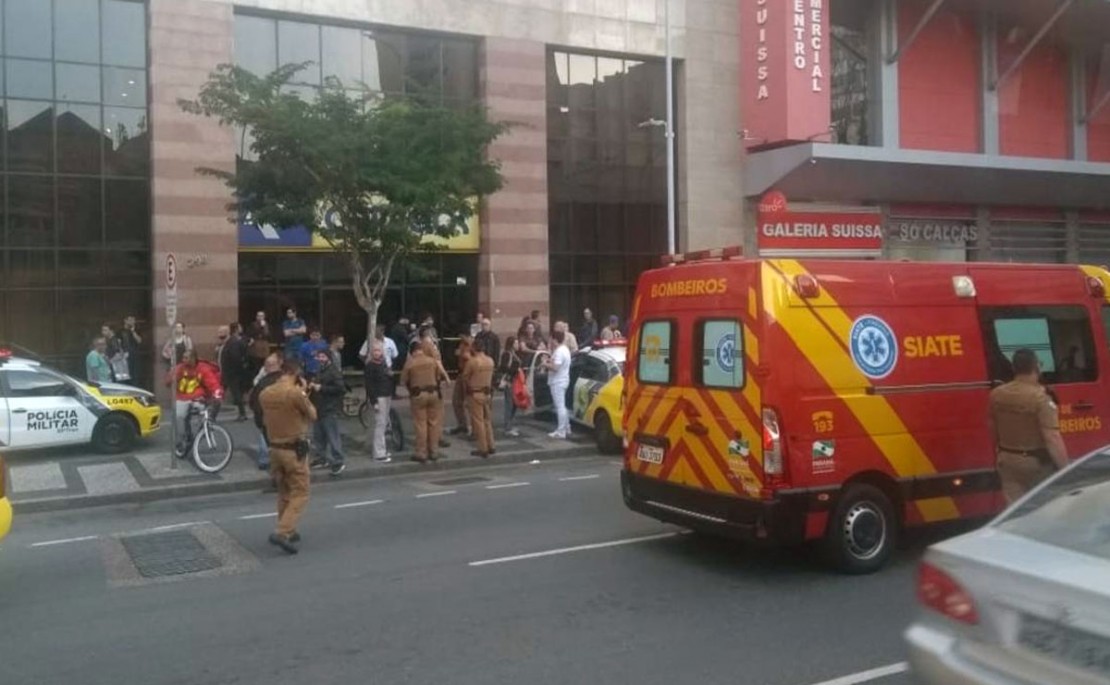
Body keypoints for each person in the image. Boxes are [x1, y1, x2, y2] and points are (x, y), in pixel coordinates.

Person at [989, 348, 1068, 503]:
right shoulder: (1041, 398)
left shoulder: (997, 394)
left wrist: (999, 451)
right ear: (1036, 367)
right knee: (1043, 510)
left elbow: (992, 424)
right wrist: (1066, 470)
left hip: (1007, 460)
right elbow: (1052, 438)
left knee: (1016, 512)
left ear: (1014, 368)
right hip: (1036, 464)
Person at [259, 358, 317, 555]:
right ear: (295, 374)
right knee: (301, 492)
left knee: (283, 490)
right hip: (294, 449)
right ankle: (283, 532)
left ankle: (287, 528)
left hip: (274, 447)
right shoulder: (294, 393)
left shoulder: (265, 393)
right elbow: (312, 414)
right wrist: (304, 392)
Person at [167, 349, 224, 457]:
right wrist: (172, 376)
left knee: (205, 410)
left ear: (193, 358)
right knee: (179, 416)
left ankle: (206, 427)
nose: (183, 360)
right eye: (183, 357)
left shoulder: (203, 369)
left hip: (197, 397)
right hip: (182, 397)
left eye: (186, 358)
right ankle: (185, 438)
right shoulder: (180, 368)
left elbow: (213, 383)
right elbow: (168, 382)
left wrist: (217, 394)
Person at [400, 340, 448, 463]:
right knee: (434, 423)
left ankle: (421, 452)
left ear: (412, 351)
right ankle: (434, 451)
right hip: (433, 394)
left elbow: (403, 380)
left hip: (418, 395)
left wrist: (410, 390)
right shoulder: (432, 361)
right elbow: (438, 376)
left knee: (421, 424)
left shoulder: (410, 363)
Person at [307, 348, 348, 476]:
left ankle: (338, 461)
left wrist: (322, 388)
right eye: (319, 357)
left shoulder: (334, 371)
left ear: (328, 358)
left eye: (323, 357)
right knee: (318, 435)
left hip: (330, 408)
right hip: (319, 407)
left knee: (332, 435)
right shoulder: (321, 369)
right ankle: (321, 458)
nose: (320, 359)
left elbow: (341, 388)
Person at [462, 339, 497, 458]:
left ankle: (483, 448)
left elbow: (465, 378)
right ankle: (491, 445)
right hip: (487, 393)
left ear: (474, 348)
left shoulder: (472, 362)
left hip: (475, 394)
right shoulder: (490, 361)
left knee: (478, 422)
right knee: (487, 420)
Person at [249, 353, 283, 471]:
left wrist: (259, 420)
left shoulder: (262, 383)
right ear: (279, 364)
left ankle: (265, 461)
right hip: (285, 420)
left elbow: (254, 403)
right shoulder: (286, 380)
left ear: (266, 367)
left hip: (266, 420)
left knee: (265, 439)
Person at [363, 341, 395, 463]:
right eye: (375, 350)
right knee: (380, 424)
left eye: (379, 350)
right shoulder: (370, 366)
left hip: (387, 395)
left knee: (384, 423)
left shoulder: (383, 363)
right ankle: (378, 453)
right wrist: (374, 401)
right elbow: (369, 385)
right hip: (379, 397)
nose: (377, 353)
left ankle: (382, 449)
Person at [217, 323, 250, 421]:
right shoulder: (225, 343)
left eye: (221, 332)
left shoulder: (233, 343)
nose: (218, 334)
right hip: (226, 373)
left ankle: (242, 414)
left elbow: (236, 358)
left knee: (234, 394)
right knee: (221, 393)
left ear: (227, 332)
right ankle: (242, 413)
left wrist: (235, 371)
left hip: (231, 374)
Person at [545, 329, 572, 439]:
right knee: (562, 405)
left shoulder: (560, 351)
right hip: (563, 379)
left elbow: (555, 367)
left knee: (559, 406)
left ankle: (561, 431)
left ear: (555, 339)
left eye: (551, 339)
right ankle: (566, 427)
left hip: (558, 381)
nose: (550, 341)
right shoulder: (564, 349)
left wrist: (545, 364)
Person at [498, 336, 524, 437]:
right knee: (509, 404)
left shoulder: (514, 354)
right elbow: (503, 367)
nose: (518, 345)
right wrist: (514, 370)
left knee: (514, 404)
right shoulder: (507, 354)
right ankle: (507, 427)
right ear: (512, 344)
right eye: (516, 343)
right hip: (509, 381)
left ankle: (509, 424)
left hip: (514, 381)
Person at [450, 333, 474, 436]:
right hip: (461, 374)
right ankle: (462, 425)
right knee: (456, 401)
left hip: (469, 375)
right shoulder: (462, 344)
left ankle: (475, 430)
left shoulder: (473, 344)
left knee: (470, 403)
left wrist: (462, 354)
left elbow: (471, 358)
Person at [118, 315, 143, 385]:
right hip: (124, 357)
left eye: (134, 320)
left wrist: (133, 331)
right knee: (125, 377)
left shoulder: (137, 330)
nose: (133, 321)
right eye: (130, 319)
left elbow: (139, 341)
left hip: (135, 356)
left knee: (135, 376)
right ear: (125, 320)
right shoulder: (120, 331)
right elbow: (118, 344)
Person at [247, 311, 271, 377]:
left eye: (262, 316)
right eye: (259, 316)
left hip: (264, 347)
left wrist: (264, 327)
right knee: (256, 366)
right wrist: (261, 327)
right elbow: (253, 333)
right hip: (256, 348)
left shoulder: (266, 324)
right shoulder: (253, 324)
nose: (260, 317)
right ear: (256, 317)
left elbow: (267, 335)